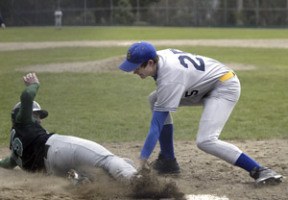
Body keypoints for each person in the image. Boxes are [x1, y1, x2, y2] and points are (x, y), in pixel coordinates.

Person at [118, 41, 283, 184]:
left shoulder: (170, 77)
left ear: (150, 63)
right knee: (154, 100)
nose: (134, 71)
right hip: (202, 86)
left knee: (206, 140)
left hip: (224, 87)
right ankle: (168, 160)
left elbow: (156, 125)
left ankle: (260, 170)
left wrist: (142, 160)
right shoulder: (158, 57)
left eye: (137, 67)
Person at [0, 72, 137, 184]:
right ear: (22, 114)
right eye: (36, 115)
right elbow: (26, 97)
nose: (39, 120)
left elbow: (7, 163)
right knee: (106, 160)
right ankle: (137, 181)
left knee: (99, 174)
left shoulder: (16, 150)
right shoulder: (22, 122)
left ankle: (85, 181)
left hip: (54, 172)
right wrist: (34, 84)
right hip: (56, 149)